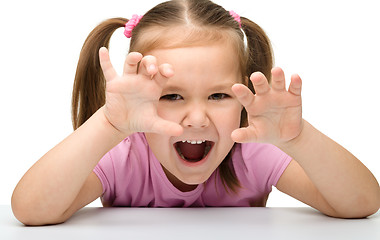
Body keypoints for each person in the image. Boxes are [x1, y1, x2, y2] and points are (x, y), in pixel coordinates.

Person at [11, 0, 380, 226]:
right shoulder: (123, 156)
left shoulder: (252, 152)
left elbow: (361, 204)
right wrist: (108, 124)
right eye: (172, 96)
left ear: (244, 99)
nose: (198, 118)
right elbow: (31, 210)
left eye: (219, 95)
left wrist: (298, 139)